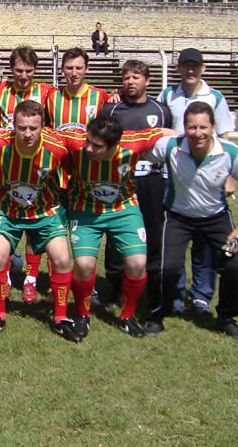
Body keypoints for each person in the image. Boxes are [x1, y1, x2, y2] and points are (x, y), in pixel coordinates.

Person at [0, 101, 79, 340]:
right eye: (22, 128)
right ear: (14, 126)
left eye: (33, 128)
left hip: (45, 213)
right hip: (7, 212)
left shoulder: (58, 147)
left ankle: (61, 317)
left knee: (63, 259)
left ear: (44, 126)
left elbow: (77, 161)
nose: (28, 134)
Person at [144, 102, 238, 338]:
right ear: (183, 128)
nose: (198, 133)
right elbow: (135, 148)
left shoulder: (230, 152)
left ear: (213, 127)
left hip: (216, 218)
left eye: (203, 127)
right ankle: (157, 313)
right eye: (192, 127)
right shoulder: (171, 147)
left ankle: (227, 317)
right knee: (167, 268)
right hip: (177, 217)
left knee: (234, 268)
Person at [61, 117, 167, 338]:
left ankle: (127, 316)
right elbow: (45, 133)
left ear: (113, 144)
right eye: (88, 141)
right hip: (85, 209)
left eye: (97, 146)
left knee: (138, 263)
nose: (88, 148)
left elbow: (162, 132)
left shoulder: (132, 144)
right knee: (83, 264)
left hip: (124, 209)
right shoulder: (75, 142)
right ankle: (82, 314)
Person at [158, 48, 235, 315]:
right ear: (178, 68)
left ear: (202, 69)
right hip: (173, 175)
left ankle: (202, 295)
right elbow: (157, 126)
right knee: (175, 243)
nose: (190, 71)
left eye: (195, 66)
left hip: (207, 175)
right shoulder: (168, 95)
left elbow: (225, 138)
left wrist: (226, 177)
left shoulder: (214, 97)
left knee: (205, 243)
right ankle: (176, 297)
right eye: (186, 66)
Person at [98, 60, 171, 308]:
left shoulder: (160, 110)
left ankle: (152, 286)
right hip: (119, 180)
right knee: (118, 232)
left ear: (147, 81)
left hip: (150, 180)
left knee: (151, 231)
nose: (130, 82)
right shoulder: (111, 110)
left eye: (136, 77)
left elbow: (166, 143)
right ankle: (116, 287)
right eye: (126, 77)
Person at [0, 45, 57, 299]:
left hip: (38, 168)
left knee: (36, 223)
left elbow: (52, 124)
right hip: (6, 168)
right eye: (19, 70)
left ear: (35, 70)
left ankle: (31, 278)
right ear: (11, 69)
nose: (23, 76)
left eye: (28, 71)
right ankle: (6, 276)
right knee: (4, 224)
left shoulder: (47, 93)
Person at [45, 48, 107, 133]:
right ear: (62, 69)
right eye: (69, 68)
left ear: (87, 68)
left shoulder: (100, 95)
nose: (74, 73)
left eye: (79, 68)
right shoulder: (52, 96)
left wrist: (119, 94)